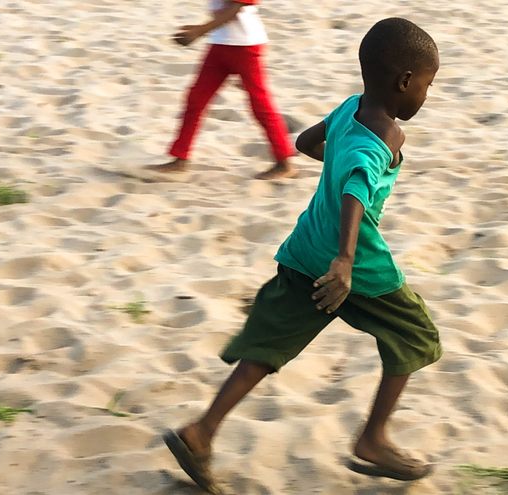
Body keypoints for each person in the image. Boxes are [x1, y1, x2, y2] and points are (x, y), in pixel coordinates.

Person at [162, 17, 441, 490]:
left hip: (304, 250)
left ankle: (201, 432)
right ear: (404, 81)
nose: (426, 95)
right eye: (427, 86)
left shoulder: (350, 108)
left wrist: (337, 165)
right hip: (355, 266)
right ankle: (373, 438)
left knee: (267, 348)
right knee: (416, 336)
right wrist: (345, 260)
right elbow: (355, 190)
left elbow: (305, 143)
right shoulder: (387, 137)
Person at [148, 0, 297, 180]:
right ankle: (180, 158)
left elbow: (235, 8)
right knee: (196, 99)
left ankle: (284, 162)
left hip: (246, 46)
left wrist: (200, 30)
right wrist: (200, 29)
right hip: (219, 43)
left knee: (260, 105)